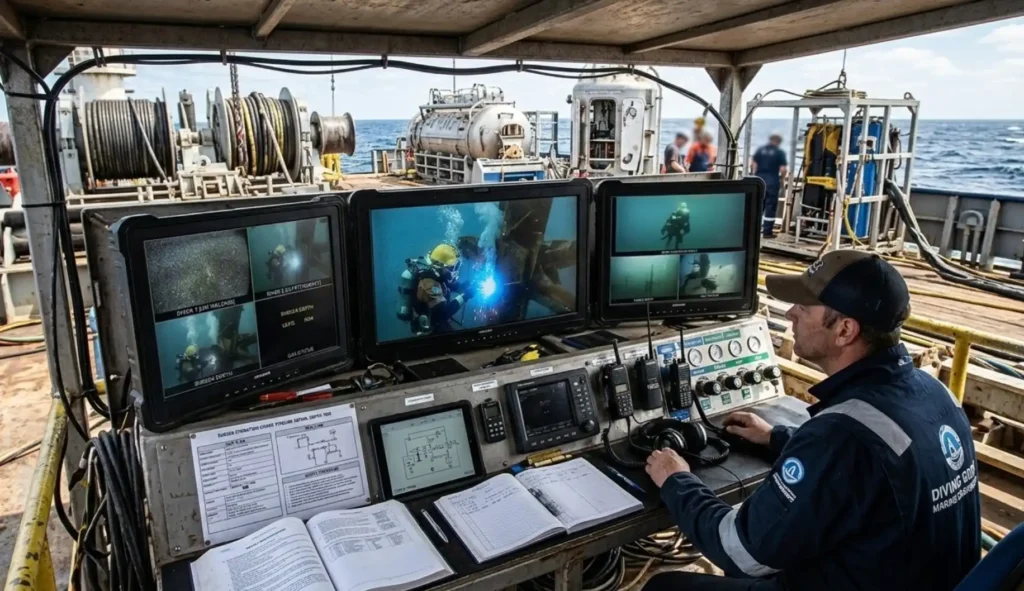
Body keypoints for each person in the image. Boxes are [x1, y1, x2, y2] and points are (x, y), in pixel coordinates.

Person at [644, 250, 980, 591]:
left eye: (803, 309)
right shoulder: (937, 393)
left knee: (665, 587)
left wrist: (677, 481)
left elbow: (739, 550)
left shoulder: (841, 435)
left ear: (845, 330)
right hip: (916, 576)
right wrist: (778, 438)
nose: (790, 314)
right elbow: (876, 471)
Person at [397, 243, 475, 335]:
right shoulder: (429, 285)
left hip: (438, 322)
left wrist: (464, 286)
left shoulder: (437, 275)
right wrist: (465, 296)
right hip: (429, 330)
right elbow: (441, 315)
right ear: (440, 266)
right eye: (452, 268)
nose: (455, 271)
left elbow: (449, 285)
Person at [751, 132, 789, 238]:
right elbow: (783, 169)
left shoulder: (760, 150)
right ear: (778, 142)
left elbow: (753, 165)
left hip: (759, 180)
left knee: (758, 206)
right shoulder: (779, 152)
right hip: (772, 180)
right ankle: (767, 232)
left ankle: (754, 230)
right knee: (770, 206)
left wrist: (756, 175)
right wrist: (782, 178)